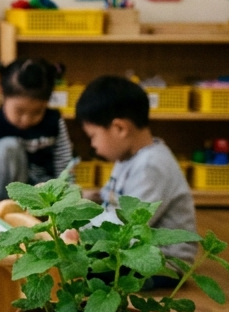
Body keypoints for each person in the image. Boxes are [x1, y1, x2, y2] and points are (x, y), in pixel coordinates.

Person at [75, 76, 197, 266]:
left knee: (76, 268)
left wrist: (77, 226)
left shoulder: (151, 165)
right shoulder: (127, 157)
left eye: (93, 136)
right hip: (133, 249)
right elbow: (109, 199)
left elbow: (127, 227)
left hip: (163, 261)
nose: (93, 145)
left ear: (120, 128)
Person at [0, 59, 73, 208]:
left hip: (40, 198)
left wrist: (67, 199)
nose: (26, 120)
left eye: (37, 112)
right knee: (9, 147)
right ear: (2, 92)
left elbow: (65, 166)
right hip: (2, 198)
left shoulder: (54, 122)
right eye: (19, 111)